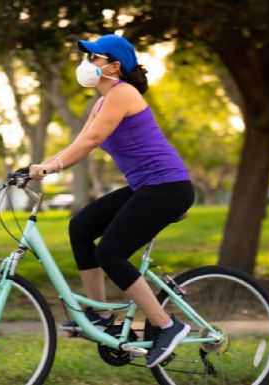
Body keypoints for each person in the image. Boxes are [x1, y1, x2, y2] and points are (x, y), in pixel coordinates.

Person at [29, 34, 195, 368]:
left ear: (114, 66)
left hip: (167, 187)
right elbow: (78, 142)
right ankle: (100, 316)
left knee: (110, 252)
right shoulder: (102, 102)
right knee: (81, 226)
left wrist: (49, 168)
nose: (86, 64)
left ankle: (166, 325)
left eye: (94, 58)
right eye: (86, 57)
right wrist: (34, 167)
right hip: (148, 187)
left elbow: (91, 140)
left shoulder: (123, 93)